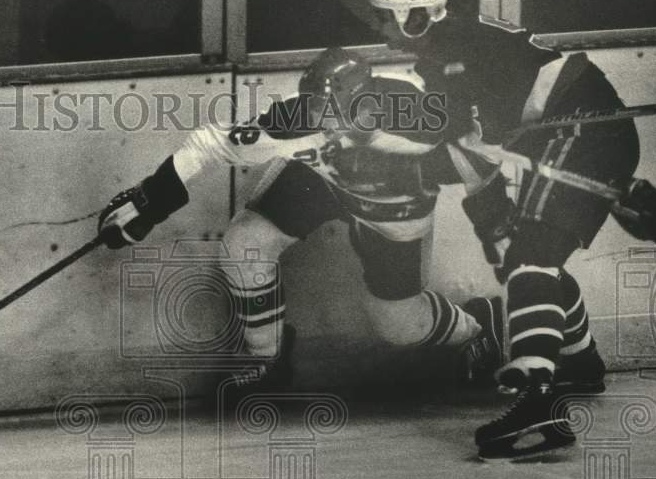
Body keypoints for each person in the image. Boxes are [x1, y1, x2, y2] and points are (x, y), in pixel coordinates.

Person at [364, 0, 656, 460]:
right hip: (572, 132)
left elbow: (458, 143)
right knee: (529, 254)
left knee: (530, 258)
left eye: (387, 15)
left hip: (579, 126)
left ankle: (539, 402)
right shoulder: (451, 48)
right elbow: (475, 151)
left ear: (416, 16)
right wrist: (491, 222)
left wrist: (386, 155)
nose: (380, 25)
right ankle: (580, 362)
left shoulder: (452, 53)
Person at [97, 47, 504, 394]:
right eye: (315, 109)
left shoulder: (420, 116)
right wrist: (149, 203)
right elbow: (208, 144)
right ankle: (266, 359)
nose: (325, 123)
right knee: (245, 244)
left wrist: (498, 229)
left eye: (336, 112)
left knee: (398, 325)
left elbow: (485, 162)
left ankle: (477, 327)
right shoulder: (295, 119)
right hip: (318, 182)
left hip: (391, 207)